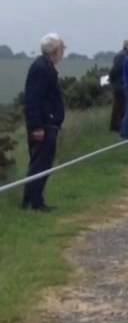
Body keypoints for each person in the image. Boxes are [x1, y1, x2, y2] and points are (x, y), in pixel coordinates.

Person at [22, 33, 66, 212]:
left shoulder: (47, 66)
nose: (63, 52)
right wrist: (37, 127)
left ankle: (31, 199)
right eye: (62, 48)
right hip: (43, 125)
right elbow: (33, 99)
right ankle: (35, 202)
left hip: (49, 123)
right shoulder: (41, 68)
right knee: (40, 164)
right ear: (55, 50)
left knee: (42, 163)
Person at [107, 38, 128, 132]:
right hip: (119, 84)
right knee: (119, 106)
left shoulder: (124, 55)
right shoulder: (122, 56)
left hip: (121, 83)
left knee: (121, 106)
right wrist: (113, 80)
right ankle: (116, 126)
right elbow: (115, 70)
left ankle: (117, 125)